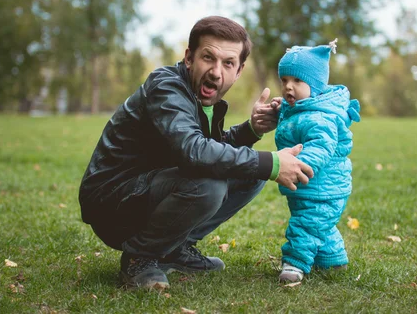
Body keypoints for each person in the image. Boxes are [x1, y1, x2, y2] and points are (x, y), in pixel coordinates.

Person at [78, 16, 314, 289]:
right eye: (208, 58)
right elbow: (193, 151)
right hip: (111, 201)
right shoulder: (166, 86)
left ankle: (174, 249)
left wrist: (252, 130)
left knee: (250, 174)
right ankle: (139, 258)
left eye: (228, 63)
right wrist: (271, 163)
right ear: (189, 58)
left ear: (239, 71)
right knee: (210, 184)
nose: (216, 72)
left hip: (147, 188)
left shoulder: (205, 99)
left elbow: (211, 149)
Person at [274, 40, 361, 283]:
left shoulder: (320, 118)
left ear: (315, 85)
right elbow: (291, 121)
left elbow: (320, 147)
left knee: (305, 225)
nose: (289, 87)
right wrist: (278, 111)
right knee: (319, 226)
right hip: (313, 188)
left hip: (320, 187)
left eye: (297, 82)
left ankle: (294, 264)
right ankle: (333, 260)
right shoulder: (303, 108)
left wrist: (300, 165)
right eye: (284, 80)